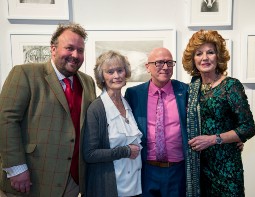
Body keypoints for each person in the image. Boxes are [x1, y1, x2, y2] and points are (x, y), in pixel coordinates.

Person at [0, 23, 96, 197]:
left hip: (73, 181)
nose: (75, 55)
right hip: (32, 177)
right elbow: (6, 120)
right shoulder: (25, 74)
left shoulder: (87, 82)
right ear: (53, 49)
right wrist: (16, 168)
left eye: (80, 50)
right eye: (69, 48)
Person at [182, 29, 255, 196]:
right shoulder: (193, 88)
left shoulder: (231, 86)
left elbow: (248, 127)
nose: (205, 58)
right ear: (193, 59)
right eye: (199, 53)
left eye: (210, 52)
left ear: (218, 56)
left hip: (227, 168)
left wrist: (215, 139)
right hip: (200, 168)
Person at [125, 47, 188, 197]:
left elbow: (206, 117)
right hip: (146, 170)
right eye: (159, 63)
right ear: (148, 67)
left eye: (169, 63)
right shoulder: (134, 94)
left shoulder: (185, 91)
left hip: (177, 170)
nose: (165, 67)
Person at [83, 50, 143, 197]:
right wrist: (125, 151)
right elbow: (90, 154)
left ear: (126, 73)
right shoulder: (96, 108)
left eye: (120, 70)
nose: (116, 76)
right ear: (102, 77)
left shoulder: (128, 103)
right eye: (110, 72)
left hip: (135, 187)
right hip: (111, 187)